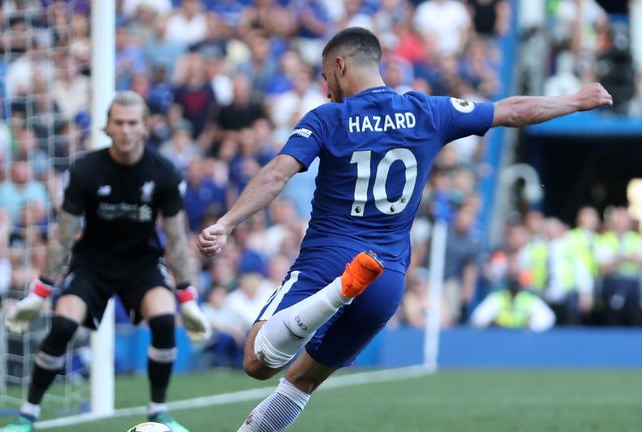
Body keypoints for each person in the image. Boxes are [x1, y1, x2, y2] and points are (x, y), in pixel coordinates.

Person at [197, 27, 612, 431]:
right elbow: (510, 110)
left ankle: (340, 291)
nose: (327, 89)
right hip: (388, 279)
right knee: (301, 382)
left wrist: (227, 222)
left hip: (330, 260)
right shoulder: (428, 111)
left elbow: (275, 174)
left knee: (256, 360)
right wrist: (573, 101)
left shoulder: (328, 117)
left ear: (340, 66)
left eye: (326, 77)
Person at [1, 91, 211, 432]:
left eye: (133, 123)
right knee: (63, 326)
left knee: (162, 320)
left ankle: (159, 412)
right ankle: (26, 415)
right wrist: (38, 294)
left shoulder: (165, 173)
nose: (126, 130)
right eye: (119, 123)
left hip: (142, 264)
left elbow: (175, 238)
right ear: (106, 127)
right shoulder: (85, 170)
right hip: (92, 264)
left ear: (145, 127)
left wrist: (186, 297)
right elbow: (63, 236)